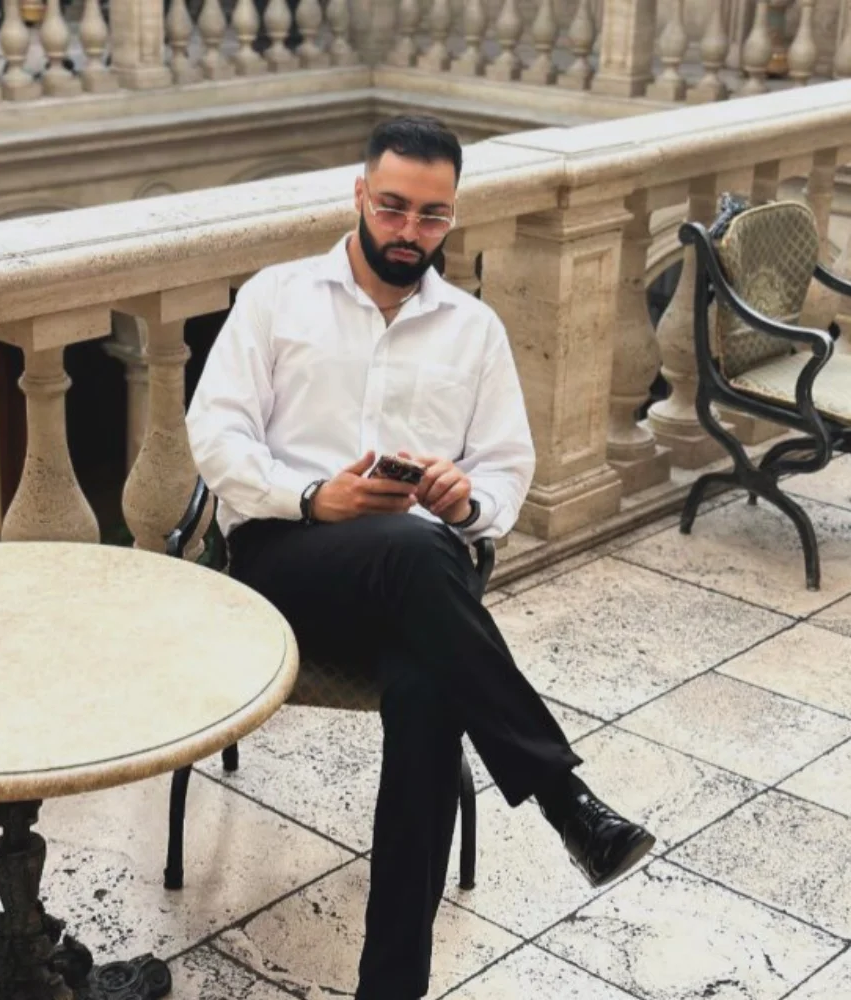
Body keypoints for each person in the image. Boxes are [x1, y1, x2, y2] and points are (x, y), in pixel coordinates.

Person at [186, 114, 655, 1000]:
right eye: (394, 207)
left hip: (422, 581)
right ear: (360, 194)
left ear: (453, 214)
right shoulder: (278, 297)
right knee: (416, 552)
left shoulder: (474, 330)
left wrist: (463, 499)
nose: (410, 231)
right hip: (288, 562)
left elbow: (506, 471)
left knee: (430, 690)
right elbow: (215, 435)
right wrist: (313, 496)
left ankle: (390, 987)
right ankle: (564, 801)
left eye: (432, 215)